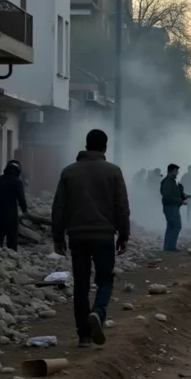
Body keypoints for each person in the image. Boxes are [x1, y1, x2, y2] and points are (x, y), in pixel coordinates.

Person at [51, 129, 130, 348]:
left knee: (81, 285)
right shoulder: (113, 172)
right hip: (104, 235)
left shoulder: (69, 172)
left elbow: (59, 207)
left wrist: (58, 237)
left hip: (77, 236)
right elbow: (121, 207)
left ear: (86, 146)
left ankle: (84, 335)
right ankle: (98, 312)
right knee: (105, 279)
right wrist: (123, 235)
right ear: (105, 147)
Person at [0, 160, 28, 251]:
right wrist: (25, 210)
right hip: (11, 215)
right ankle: (12, 256)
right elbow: (21, 199)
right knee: (12, 237)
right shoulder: (18, 182)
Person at [161, 164, 188, 252]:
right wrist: (180, 201)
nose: (177, 173)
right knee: (177, 226)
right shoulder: (168, 181)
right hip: (170, 207)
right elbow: (167, 195)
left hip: (172, 207)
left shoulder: (171, 181)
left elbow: (173, 194)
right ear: (171, 171)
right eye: (176, 171)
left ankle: (167, 247)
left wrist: (183, 196)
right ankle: (170, 247)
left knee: (171, 226)